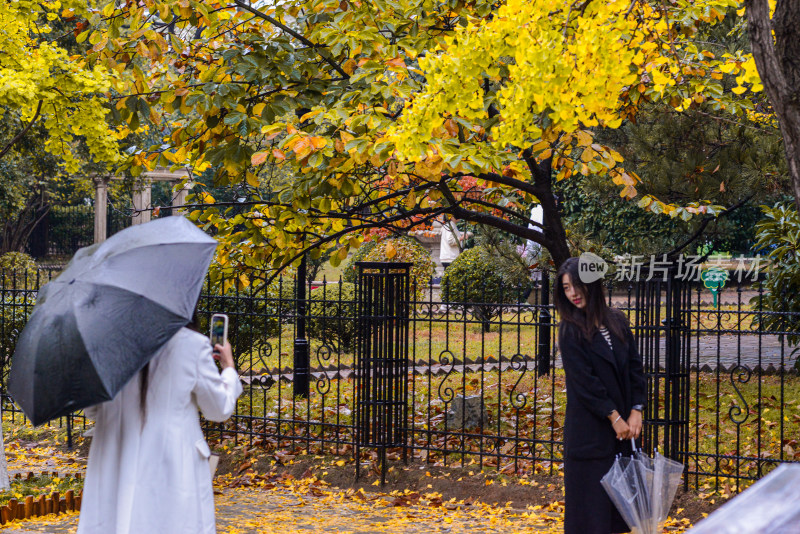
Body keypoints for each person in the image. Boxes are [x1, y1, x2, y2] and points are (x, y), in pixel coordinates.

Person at [77, 323, 242, 534]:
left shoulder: (103, 343)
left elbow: (91, 409)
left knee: (116, 520)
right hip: (173, 461)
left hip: (115, 457)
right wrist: (228, 368)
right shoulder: (191, 344)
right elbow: (218, 409)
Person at [554, 257, 647, 534]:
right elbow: (585, 383)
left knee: (620, 516)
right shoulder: (569, 329)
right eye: (567, 288)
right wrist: (614, 416)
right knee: (590, 516)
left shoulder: (617, 321)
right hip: (590, 434)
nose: (573, 293)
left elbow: (635, 368)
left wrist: (636, 410)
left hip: (622, 435)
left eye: (577, 286)